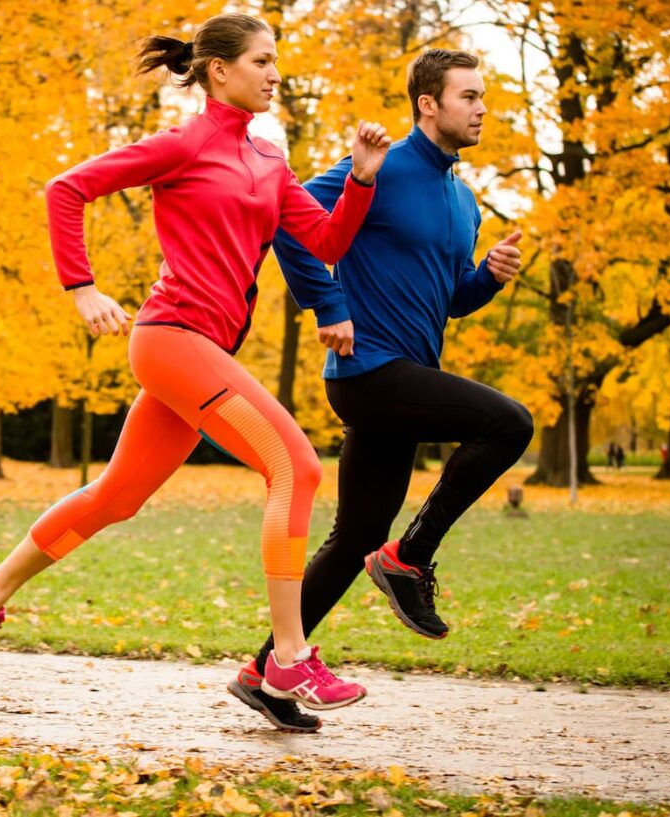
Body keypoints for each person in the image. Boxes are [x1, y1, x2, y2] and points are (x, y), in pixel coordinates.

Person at [0, 13, 392, 714]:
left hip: (204, 351)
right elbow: (66, 190)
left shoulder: (270, 162)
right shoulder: (181, 144)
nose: (275, 73)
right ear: (220, 71)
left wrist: (362, 178)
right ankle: (288, 659)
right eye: (262, 61)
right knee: (297, 467)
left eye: (277, 61)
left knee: (118, 497)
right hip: (171, 336)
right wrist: (82, 286)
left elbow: (329, 239)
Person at [227, 48, 534, 731]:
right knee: (509, 423)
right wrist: (327, 305)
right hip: (369, 371)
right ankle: (409, 558)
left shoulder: (463, 198)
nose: (482, 108)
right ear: (429, 104)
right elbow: (289, 221)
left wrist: (488, 277)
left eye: (484, 97)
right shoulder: (384, 165)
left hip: (401, 377)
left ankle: (265, 673)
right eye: (470, 96)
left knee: (353, 535)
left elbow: (450, 299)